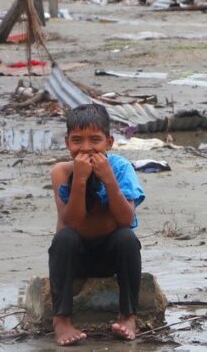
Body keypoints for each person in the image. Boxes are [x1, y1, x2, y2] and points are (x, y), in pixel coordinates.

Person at [48, 104, 145, 346]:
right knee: (64, 239)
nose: (86, 147)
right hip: (76, 257)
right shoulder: (61, 171)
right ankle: (61, 320)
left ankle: (129, 316)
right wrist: (80, 180)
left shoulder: (121, 168)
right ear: (67, 142)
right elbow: (70, 223)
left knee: (127, 239)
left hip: (112, 256)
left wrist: (108, 178)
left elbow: (126, 220)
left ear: (109, 142)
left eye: (95, 140)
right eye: (77, 140)